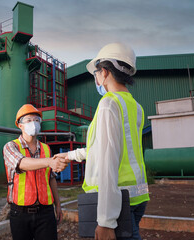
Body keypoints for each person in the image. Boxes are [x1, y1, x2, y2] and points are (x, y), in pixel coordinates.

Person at [54, 43, 150, 240]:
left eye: (96, 73)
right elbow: (101, 149)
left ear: (105, 72)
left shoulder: (108, 103)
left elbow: (108, 161)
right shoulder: (136, 107)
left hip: (117, 201)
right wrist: (70, 155)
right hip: (138, 196)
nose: (96, 78)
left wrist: (106, 222)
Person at [3, 104, 69, 240]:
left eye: (37, 120)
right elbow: (22, 163)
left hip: (46, 212)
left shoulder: (46, 149)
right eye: (28, 120)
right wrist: (49, 161)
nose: (33, 123)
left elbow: (51, 178)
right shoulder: (11, 147)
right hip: (20, 213)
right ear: (20, 125)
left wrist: (58, 205)